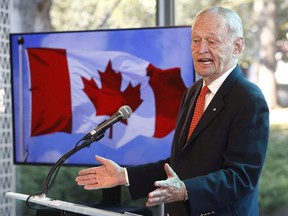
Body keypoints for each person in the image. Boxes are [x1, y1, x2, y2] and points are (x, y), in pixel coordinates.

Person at [76, 6, 269, 216]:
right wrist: (124, 176)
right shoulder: (193, 92)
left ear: (237, 46)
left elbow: (241, 177)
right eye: (196, 40)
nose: (201, 49)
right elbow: (180, 165)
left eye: (211, 41)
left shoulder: (249, 99)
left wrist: (185, 190)